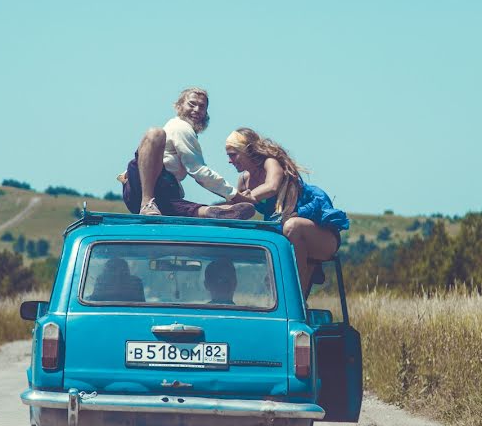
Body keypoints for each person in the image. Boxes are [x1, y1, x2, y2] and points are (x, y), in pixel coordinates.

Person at [224, 128, 349, 294]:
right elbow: (237, 211)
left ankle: (296, 294)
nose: (229, 161)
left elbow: (272, 186)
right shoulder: (244, 180)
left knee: (292, 226)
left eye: (233, 154)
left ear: (246, 151)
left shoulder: (270, 163)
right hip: (287, 237)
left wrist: (244, 197)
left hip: (320, 235)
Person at [119, 87, 255, 219]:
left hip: (160, 195)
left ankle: (212, 212)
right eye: (192, 104)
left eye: (202, 107)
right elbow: (199, 171)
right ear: (179, 106)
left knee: (175, 205)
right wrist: (237, 196)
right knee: (155, 133)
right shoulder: (181, 127)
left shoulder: (188, 131)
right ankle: (147, 202)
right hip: (142, 186)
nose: (197, 110)